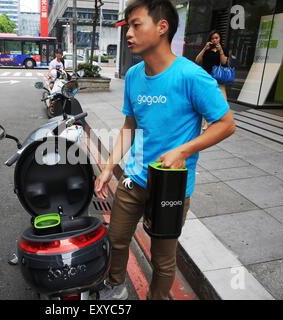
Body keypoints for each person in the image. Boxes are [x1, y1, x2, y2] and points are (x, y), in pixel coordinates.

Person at [94, 0, 236, 300]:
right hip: (135, 178)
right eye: (127, 26)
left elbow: (226, 124)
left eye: (136, 25)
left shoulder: (191, 76)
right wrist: (108, 166)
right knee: (117, 239)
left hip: (171, 187)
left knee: (162, 258)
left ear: (162, 27)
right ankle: (115, 285)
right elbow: (129, 125)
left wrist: (183, 151)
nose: (128, 33)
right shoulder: (133, 75)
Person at [195, 30, 229, 100]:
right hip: (206, 76)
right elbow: (197, 60)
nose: (214, 40)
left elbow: (223, 62)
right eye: (212, 38)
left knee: (222, 97)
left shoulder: (224, 49)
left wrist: (220, 51)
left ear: (220, 38)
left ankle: (224, 110)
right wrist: (204, 49)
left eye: (216, 38)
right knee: (205, 96)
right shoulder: (207, 49)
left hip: (218, 76)